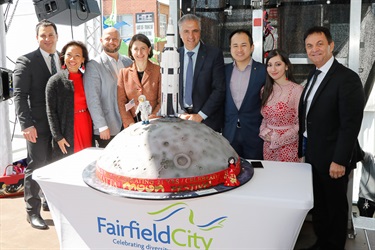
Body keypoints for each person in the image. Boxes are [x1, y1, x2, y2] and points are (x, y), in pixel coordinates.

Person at [298, 26, 365, 250]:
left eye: (319, 44)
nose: (314, 49)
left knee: (335, 208)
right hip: (315, 153)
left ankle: (334, 246)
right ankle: (322, 243)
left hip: (334, 157)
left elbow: (350, 124)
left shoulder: (347, 78)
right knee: (321, 206)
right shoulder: (313, 74)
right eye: (309, 46)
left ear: (331, 46)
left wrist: (339, 160)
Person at [13, 19, 59, 230]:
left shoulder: (61, 59)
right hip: (37, 126)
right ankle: (32, 212)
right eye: (43, 35)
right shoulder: (26, 61)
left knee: (54, 164)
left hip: (57, 126)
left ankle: (49, 201)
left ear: (56, 36)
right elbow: (20, 96)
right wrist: (26, 125)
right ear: (37, 38)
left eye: (50, 35)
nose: (47, 39)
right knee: (36, 165)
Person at [84, 27, 132, 148]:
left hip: (128, 122)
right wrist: (101, 126)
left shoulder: (128, 62)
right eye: (108, 39)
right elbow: (92, 98)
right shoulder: (94, 65)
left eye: (115, 39)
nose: (111, 41)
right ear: (101, 40)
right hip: (108, 126)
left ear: (120, 41)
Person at [177, 14, 226, 132]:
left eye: (195, 31)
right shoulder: (174, 55)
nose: (191, 36)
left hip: (207, 121)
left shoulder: (214, 54)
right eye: (186, 31)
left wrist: (200, 116)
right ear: (180, 34)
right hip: (180, 120)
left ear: (200, 32)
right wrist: (179, 113)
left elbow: (219, 89)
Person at [223, 29, 266, 159]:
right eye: (235, 46)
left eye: (244, 45)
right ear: (230, 48)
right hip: (229, 134)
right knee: (231, 173)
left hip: (254, 134)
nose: (239, 49)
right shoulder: (224, 71)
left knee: (257, 172)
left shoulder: (263, 71)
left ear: (252, 47)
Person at [45, 41, 92, 161]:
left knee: (86, 160)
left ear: (83, 59)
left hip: (85, 125)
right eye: (69, 55)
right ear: (63, 57)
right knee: (70, 162)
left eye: (77, 55)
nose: (73, 59)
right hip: (67, 128)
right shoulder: (55, 81)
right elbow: (51, 112)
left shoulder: (88, 78)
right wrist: (58, 137)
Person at [259, 49, 303, 162]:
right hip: (268, 146)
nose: (273, 69)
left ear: (286, 66)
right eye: (269, 65)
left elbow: (301, 123)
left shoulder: (297, 90)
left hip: (289, 147)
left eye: (278, 64)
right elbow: (265, 119)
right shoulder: (265, 90)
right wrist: (264, 132)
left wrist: (279, 138)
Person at [117, 34, 161, 128]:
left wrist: (152, 118)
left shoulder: (158, 70)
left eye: (143, 48)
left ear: (149, 50)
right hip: (132, 125)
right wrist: (131, 124)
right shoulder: (124, 73)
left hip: (154, 124)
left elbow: (162, 100)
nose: (139, 52)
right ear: (131, 51)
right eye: (136, 49)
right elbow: (121, 102)